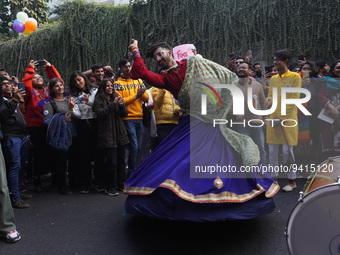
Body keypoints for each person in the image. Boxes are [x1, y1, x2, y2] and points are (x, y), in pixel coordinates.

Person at [123, 39, 279, 221]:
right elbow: (139, 72)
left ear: (170, 52)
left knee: (226, 159)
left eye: (160, 53)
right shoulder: (164, 79)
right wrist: (135, 51)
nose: (158, 58)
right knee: (179, 162)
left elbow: (225, 75)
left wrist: (221, 106)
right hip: (190, 123)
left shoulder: (194, 62)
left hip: (211, 123)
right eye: (155, 57)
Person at [23, 60, 62, 192]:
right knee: (39, 153)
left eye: (40, 77)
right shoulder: (29, 93)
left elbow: (58, 82)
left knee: (53, 150)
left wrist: (50, 68)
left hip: (51, 125)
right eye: (35, 77)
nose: (38, 78)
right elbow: (26, 85)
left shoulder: (48, 91)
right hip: (35, 126)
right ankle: (37, 180)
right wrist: (30, 70)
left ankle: (55, 179)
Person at [266, 50, 301, 192]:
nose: (274, 63)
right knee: (272, 151)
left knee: (288, 152)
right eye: (274, 60)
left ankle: (291, 181)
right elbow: (270, 97)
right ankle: (273, 179)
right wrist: (265, 105)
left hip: (288, 120)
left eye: (277, 60)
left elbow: (293, 99)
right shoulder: (273, 79)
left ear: (285, 61)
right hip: (273, 119)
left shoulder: (295, 77)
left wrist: (280, 118)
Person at [43, 78, 80, 195]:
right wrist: (62, 118)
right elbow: (46, 121)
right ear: (52, 89)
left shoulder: (70, 100)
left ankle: (74, 183)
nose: (60, 88)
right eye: (56, 86)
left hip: (72, 134)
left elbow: (78, 114)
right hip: (60, 137)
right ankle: (61, 185)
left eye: (61, 85)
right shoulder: (50, 104)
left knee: (74, 160)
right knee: (61, 162)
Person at [93, 79, 129, 195]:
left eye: (111, 86)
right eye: (107, 86)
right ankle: (110, 186)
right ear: (103, 87)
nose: (110, 88)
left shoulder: (117, 96)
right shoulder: (99, 99)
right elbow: (100, 113)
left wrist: (122, 105)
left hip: (119, 133)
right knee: (111, 162)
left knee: (121, 161)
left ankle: (120, 184)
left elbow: (125, 114)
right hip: (107, 133)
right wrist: (113, 105)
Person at [114, 59, 149, 175]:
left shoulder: (138, 81)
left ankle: (135, 170)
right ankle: (132, 172)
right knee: (134, 146)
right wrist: (136, 95)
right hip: (128, 119)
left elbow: (147, 98)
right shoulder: (117, 84)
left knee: (138, 147)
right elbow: (121, 102)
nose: (128, 68)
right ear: (121, 69)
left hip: (139, 118)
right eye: (125, 67)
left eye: (129, 66)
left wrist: (142, 93)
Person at [0, 76, 30, 208]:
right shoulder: (2, 100)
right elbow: (3, 115)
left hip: (22, 136)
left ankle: (19, 190)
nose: (8, 86)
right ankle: (15, 197)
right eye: (4, 84)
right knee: (15, 166)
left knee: (22, 165)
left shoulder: (12, 99)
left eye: (9, 83)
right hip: (11, 137)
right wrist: (15, 100)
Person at [68, 71, 98, 193]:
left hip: (96, 123)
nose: (78, 83)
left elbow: (99, 108)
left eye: (79, 79)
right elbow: (79, 115)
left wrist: (88, 102)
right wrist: (71, 109)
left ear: (84, 78)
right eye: (75, 82)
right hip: (83, 125)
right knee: (84, 155)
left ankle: (99, 181)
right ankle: (86, 182)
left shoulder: (95, 91)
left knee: (98, 154)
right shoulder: (75, 96)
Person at [235, 61, 267, 165]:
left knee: (261, 149)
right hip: (242, 124)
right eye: (239, 68)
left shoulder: (257, 85)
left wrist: (265, 119)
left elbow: (263, 103)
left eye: (243, 67)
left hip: (257, 122)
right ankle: (245, 176)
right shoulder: (233, 86)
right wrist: (236, 112)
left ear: (250, 71)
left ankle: (264, 176)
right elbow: (228, 104)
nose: (240, 69)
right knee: (244, 150)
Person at [318, 60, 340, 158]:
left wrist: (337, 108)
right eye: (338, 67)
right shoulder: (326, 81)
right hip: (328, 115)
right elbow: (320, 95)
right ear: (333, 69)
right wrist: (331, 107)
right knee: (329, 143)